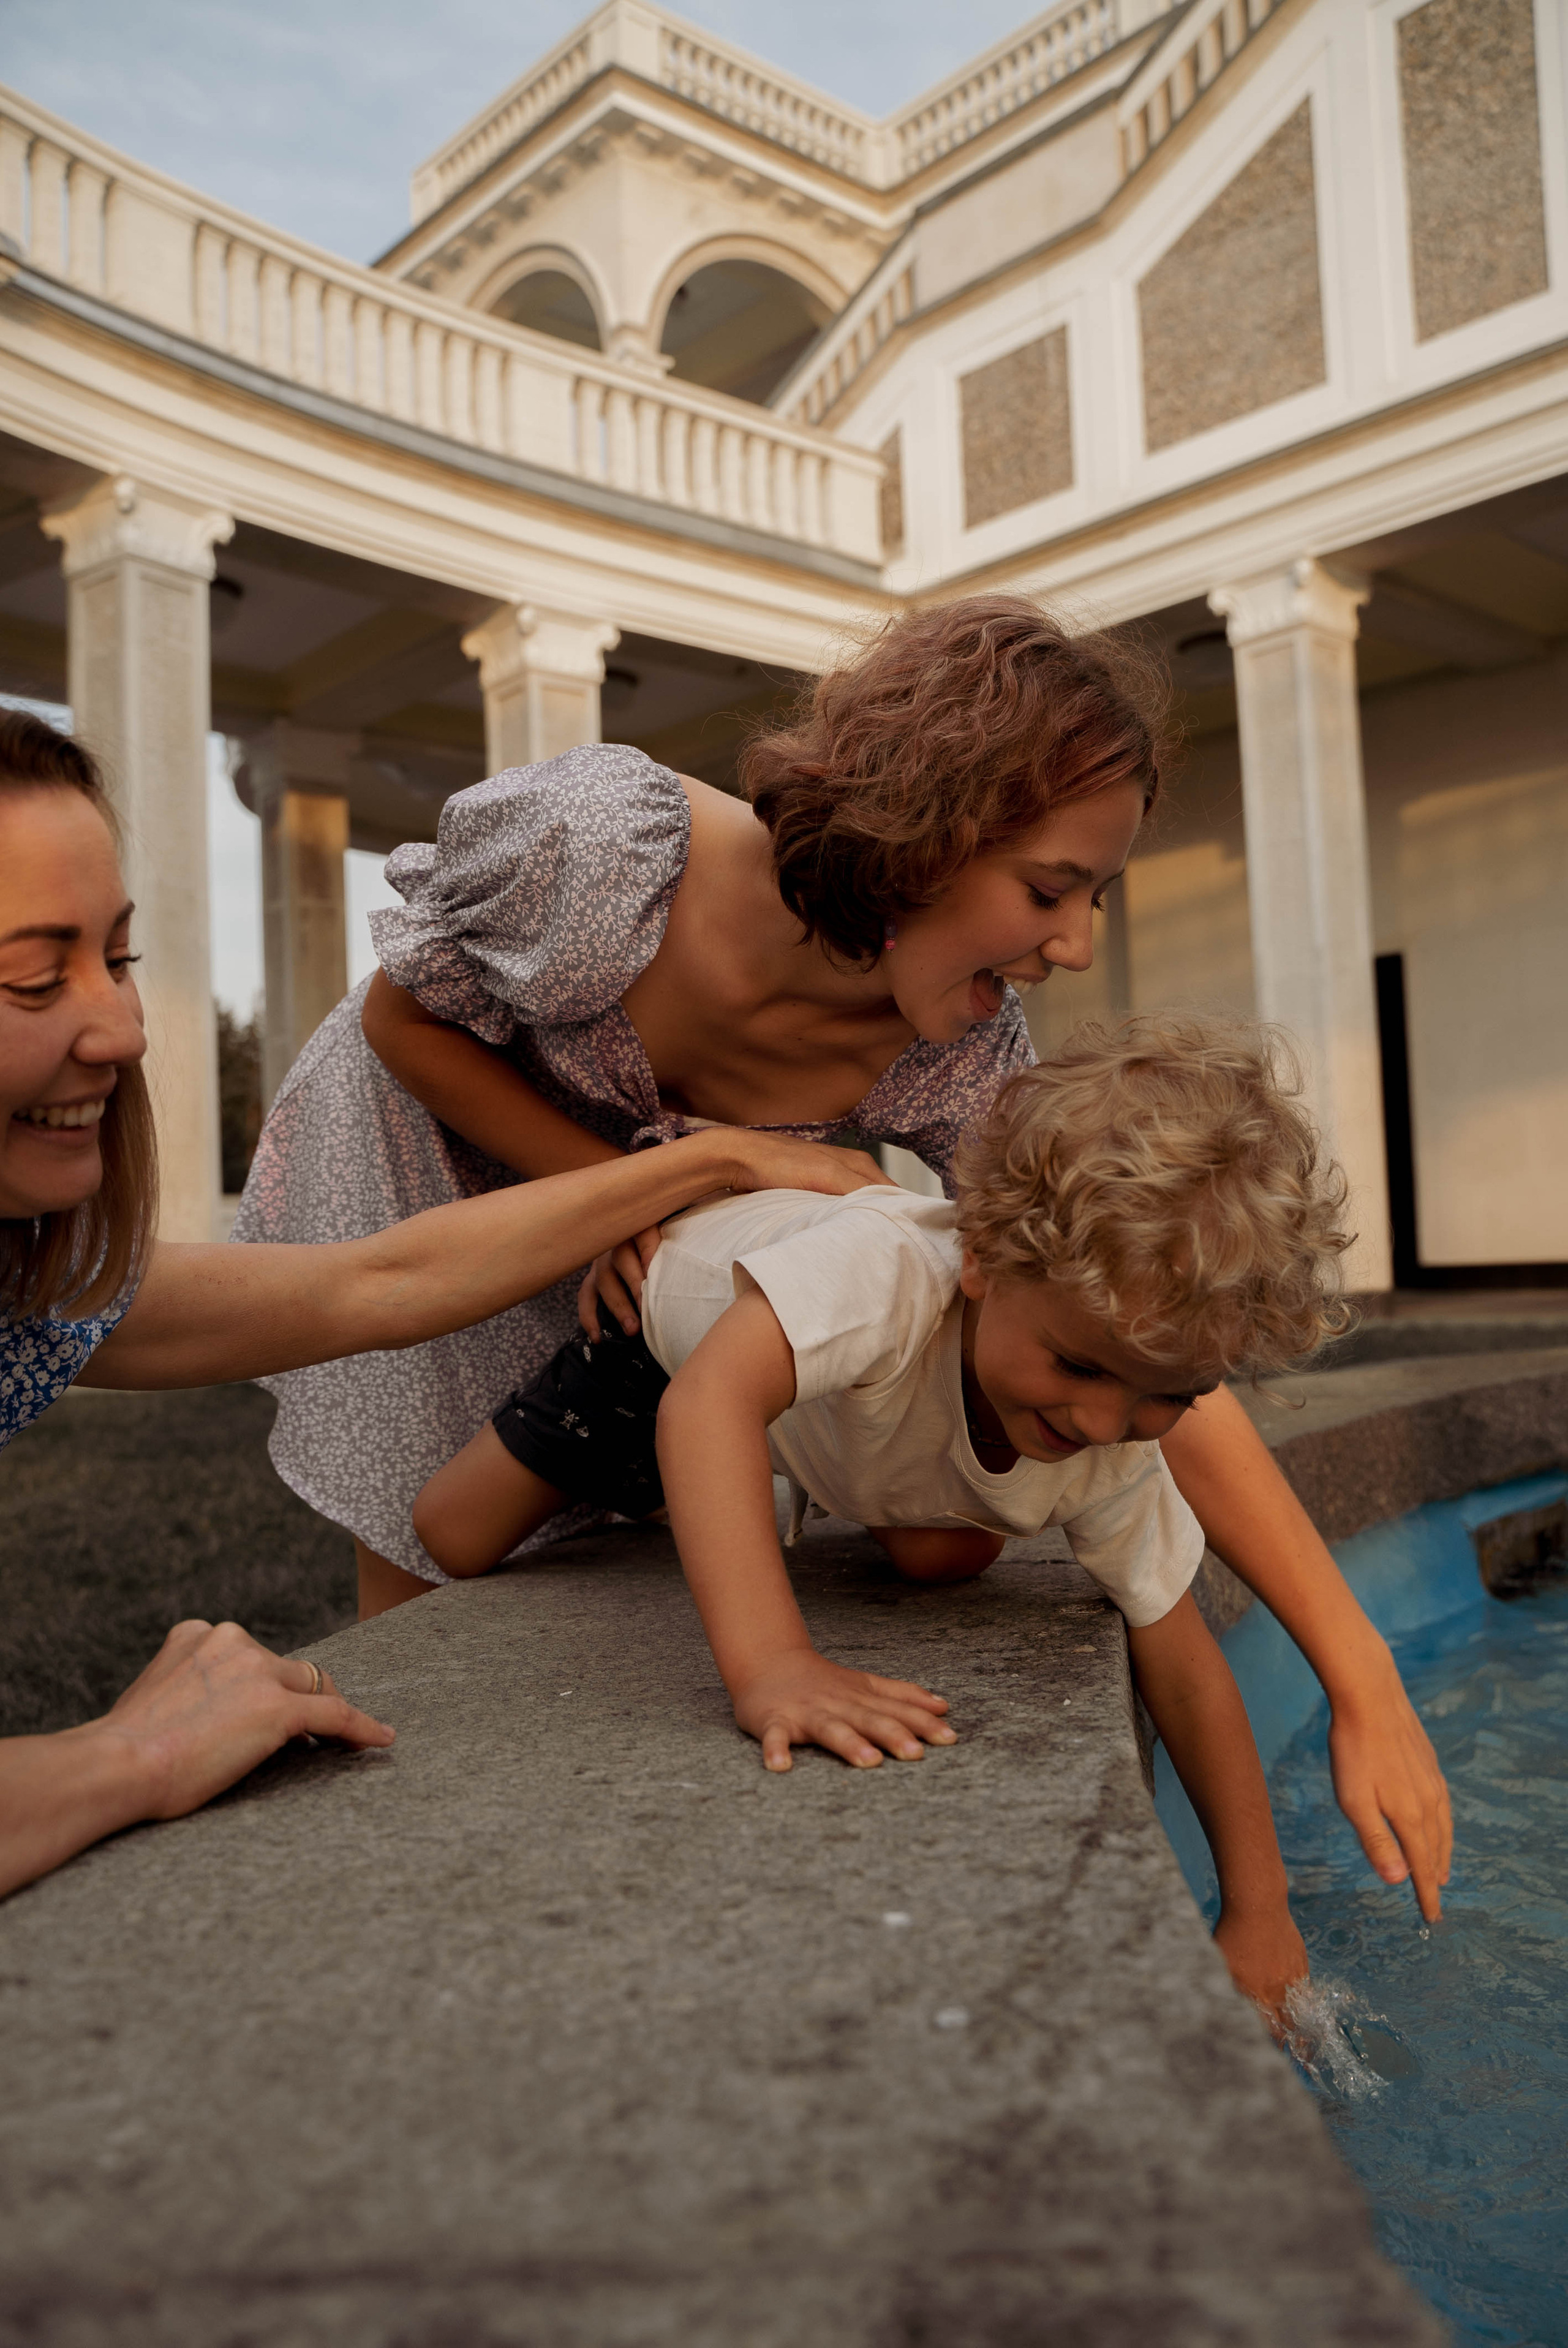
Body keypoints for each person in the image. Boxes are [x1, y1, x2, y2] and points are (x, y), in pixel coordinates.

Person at [238, 592, 1452, 1922]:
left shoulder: (961, 1052)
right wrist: (648, 1189)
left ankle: (563, 1888)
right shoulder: (609, 855)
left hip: (655, 1228)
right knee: (420, 1565)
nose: (1076, 943)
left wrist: (1360, 1682)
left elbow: (1146, 1341)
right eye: (1048, 888)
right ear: (919, 830)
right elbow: (405, 1023)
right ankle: (386, 1886)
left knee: (581, 1541)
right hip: (432, 1143)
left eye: (1094, 895)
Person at [0, 709, 893, 1900]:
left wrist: (711, 1164)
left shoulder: (32, 1299)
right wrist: (127, 1757)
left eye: (118, 959)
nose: (120, 1028)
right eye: (28, 978)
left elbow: (375, 1282)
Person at [415, 1016, 1343, 2018]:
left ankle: (769, 1480)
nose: (1104, 1422)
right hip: (666, 1342)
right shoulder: (887, 1274)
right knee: (453, 1529)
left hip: (831, 1408)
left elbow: (1185, 1660)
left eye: (1170, 1394)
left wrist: (1260, 1908)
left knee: (945, 1553)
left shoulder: (1113, 1428)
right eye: (1080, 1365)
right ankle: (685, 1484)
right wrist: (774, 1666)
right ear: (982, 1258)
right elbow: (706, 1403)